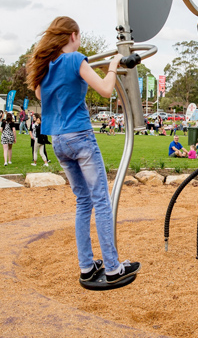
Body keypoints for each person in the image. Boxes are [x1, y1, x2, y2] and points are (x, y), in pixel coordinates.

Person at [26, 16, 140, 287]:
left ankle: (87, 267)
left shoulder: (46, 67)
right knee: (101, 200)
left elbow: (42, 96)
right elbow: (104, 89)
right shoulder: (75, 61)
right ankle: (113, 268)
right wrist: (112, 66)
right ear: (74, 36)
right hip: (80, 137)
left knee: (83, 202)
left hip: (59, 142)